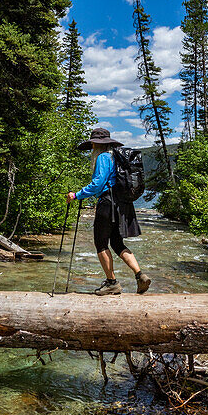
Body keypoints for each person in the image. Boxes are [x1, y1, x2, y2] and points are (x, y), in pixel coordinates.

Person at [67, 127, 151, 296]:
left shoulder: (103, 158)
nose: (92, 147)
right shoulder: (118, 158)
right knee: (117, 243)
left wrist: (76, 195)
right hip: (121, 204)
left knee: (101, 243)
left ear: (97, 145)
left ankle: (112, 283)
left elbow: (98, 184)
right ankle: (140, 275)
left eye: (92, 144)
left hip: (107, 203)